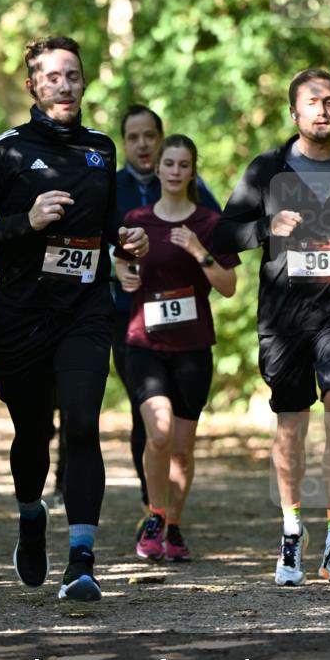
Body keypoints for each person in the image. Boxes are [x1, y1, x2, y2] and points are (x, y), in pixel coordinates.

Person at [0, 36, 148, 602]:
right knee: (34, 432)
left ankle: (82, 560)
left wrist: (125, 239)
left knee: (84, 423)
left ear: (84, 82)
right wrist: (27, 220)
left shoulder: (100, 148)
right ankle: (30, 515)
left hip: (86, 309)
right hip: (21, 314)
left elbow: (107, 222)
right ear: (32, 86)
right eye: (53, 77)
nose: (65, 86)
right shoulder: (6, 150)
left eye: (73, 75)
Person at [214, 69, 330, 587]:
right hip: (284, 317)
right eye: (312, 102)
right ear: (293, 112)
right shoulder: (267, 169)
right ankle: (291, 531)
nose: (323, 109)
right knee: (291, 425)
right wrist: (266, 227)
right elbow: (223, 235)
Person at [117, 134, 238, 561]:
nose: (174, 171)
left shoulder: (209, 223)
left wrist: (199, 251)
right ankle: (154, 516)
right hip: (144, 344)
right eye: (168, 164)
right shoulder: (137, 219)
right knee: (160, 433)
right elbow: (120, 264)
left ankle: (175, 527)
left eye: (183, 165)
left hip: (192, 348)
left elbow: (228, 286)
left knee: (183, 448)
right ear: (158, 169)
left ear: (192, 172)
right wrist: (124, 274)